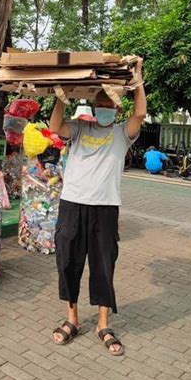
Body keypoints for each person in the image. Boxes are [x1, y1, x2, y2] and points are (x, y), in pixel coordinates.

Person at [49, 58, 146, 356]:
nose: (103, 107)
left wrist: (138, 81)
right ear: (92, 107)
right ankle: (72, 319)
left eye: (109, 103)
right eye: (99, 102)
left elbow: (140, 111)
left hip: (105, 209)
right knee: (68, 262)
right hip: (72, 205)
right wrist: (61, 96)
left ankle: (103, 324)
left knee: (104, 265)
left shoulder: (121, 135)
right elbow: (55, 126)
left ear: (117, 110)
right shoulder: (79, 128)